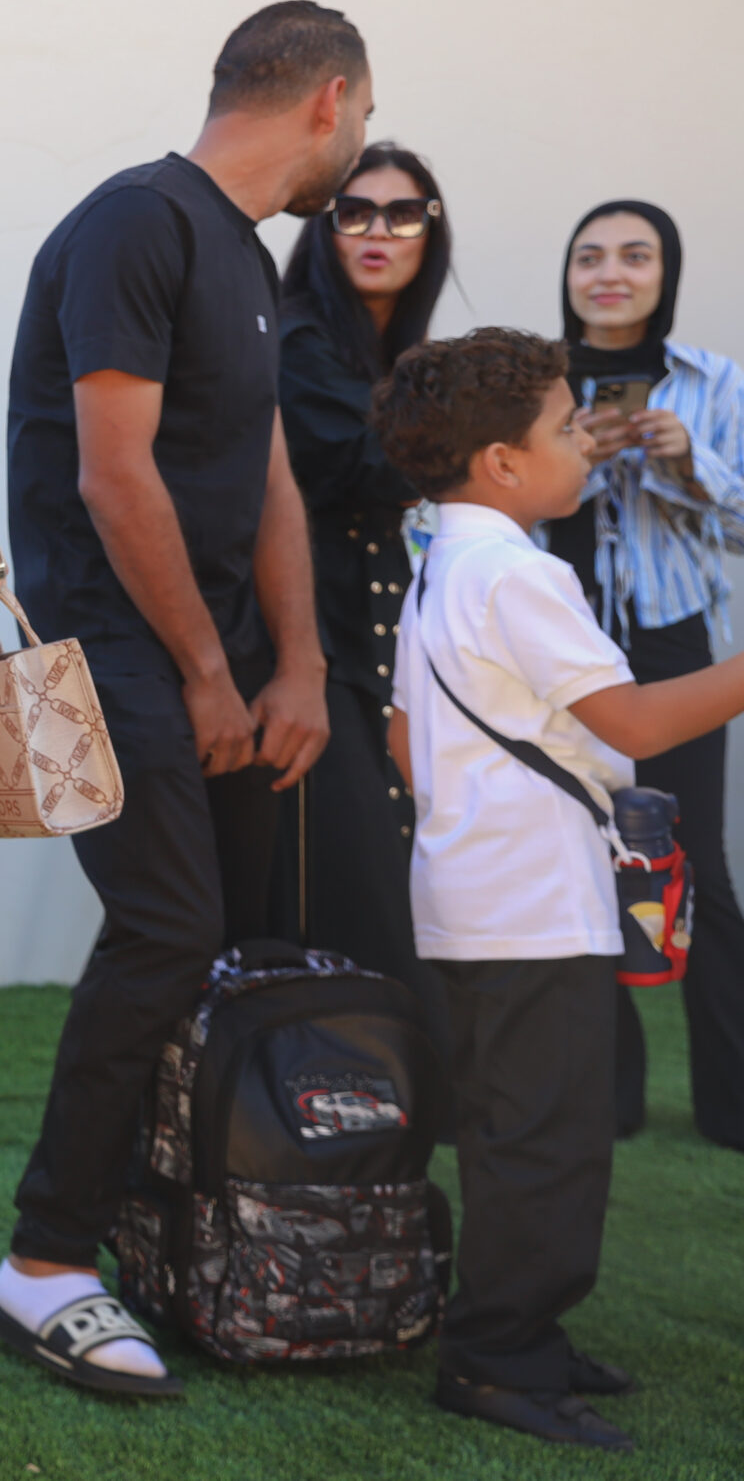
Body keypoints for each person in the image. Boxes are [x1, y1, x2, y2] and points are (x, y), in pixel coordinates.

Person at [0, 1, 361, 1394]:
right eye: (364, 119)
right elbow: (113, 474)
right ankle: (45, 1260)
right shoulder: (136, 223)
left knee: (223, 941)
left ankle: (189, 1229)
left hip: (220, 657)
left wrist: (298, 662)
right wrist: (209, 671)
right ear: (329, 101)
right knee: (166, 929)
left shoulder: (245, 255)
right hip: (113, 650)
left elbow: (265, 475)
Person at [377, 327, 744, 1450]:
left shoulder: (440, 561)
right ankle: (499, 1359)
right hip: (536, 904)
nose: (585, 442)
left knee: (510, 1132)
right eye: (566, 426)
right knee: (550, 1143)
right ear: (501, 461)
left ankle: (517, 1328)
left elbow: (402, 738)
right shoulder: (521, 574)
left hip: (470, 896)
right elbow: (632, 724)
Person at [542, 200, 744, 1147]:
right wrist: (576, 457)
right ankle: (610, 1097)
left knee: (699, 863)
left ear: (665, 274)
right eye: (590, 257)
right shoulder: (533, 381)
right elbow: (495, 504)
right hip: (556, 646)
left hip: (671, 641)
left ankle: (731, 1103)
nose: (610, 274)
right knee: (582, 861)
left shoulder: (714, 380)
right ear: (569, 275)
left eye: (635, 255)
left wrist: (690, 462)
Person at [269, 143, 453, 1039]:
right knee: (357, 891)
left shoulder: (401, 355)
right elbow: (360, 467)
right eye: (355, 212)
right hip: (312, 646)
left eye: (403, 213)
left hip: (388, 642)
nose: (379, 231)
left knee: (395, 877)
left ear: (430, 231)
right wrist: (475, 443)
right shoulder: (297, 334)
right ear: (325, 227)